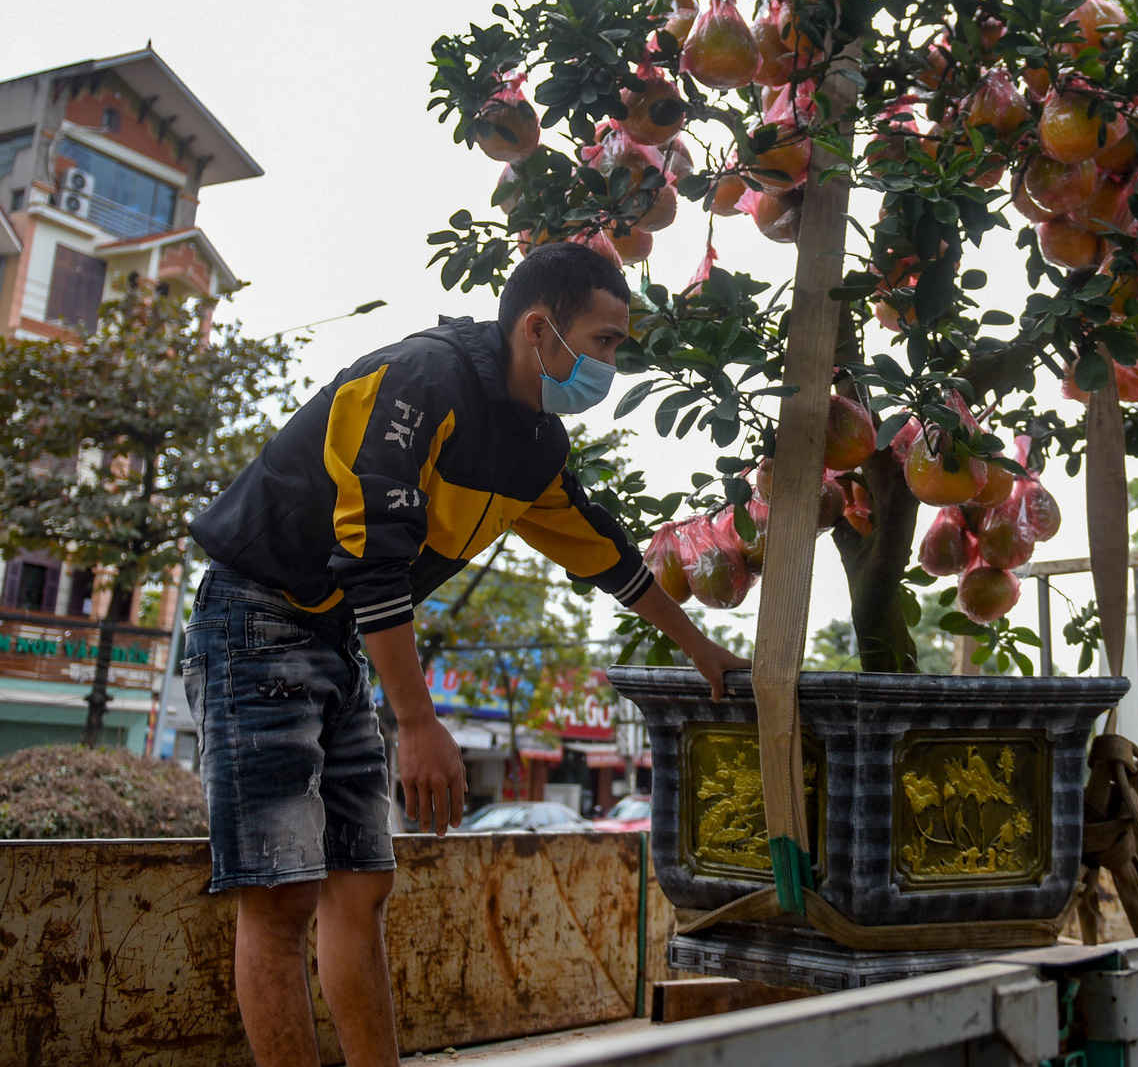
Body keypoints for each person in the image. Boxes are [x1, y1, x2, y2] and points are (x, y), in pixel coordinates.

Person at [182, 243, 748, 1067]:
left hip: (341, 633)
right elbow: (373, 553)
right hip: (256, 611)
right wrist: (417, 719)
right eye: (604, 342)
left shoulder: (535, 446)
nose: (611, 365)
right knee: (278, 894)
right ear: (538, 326)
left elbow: (604, 552)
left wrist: (703, 649)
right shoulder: (422, 380)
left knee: (362, 884)